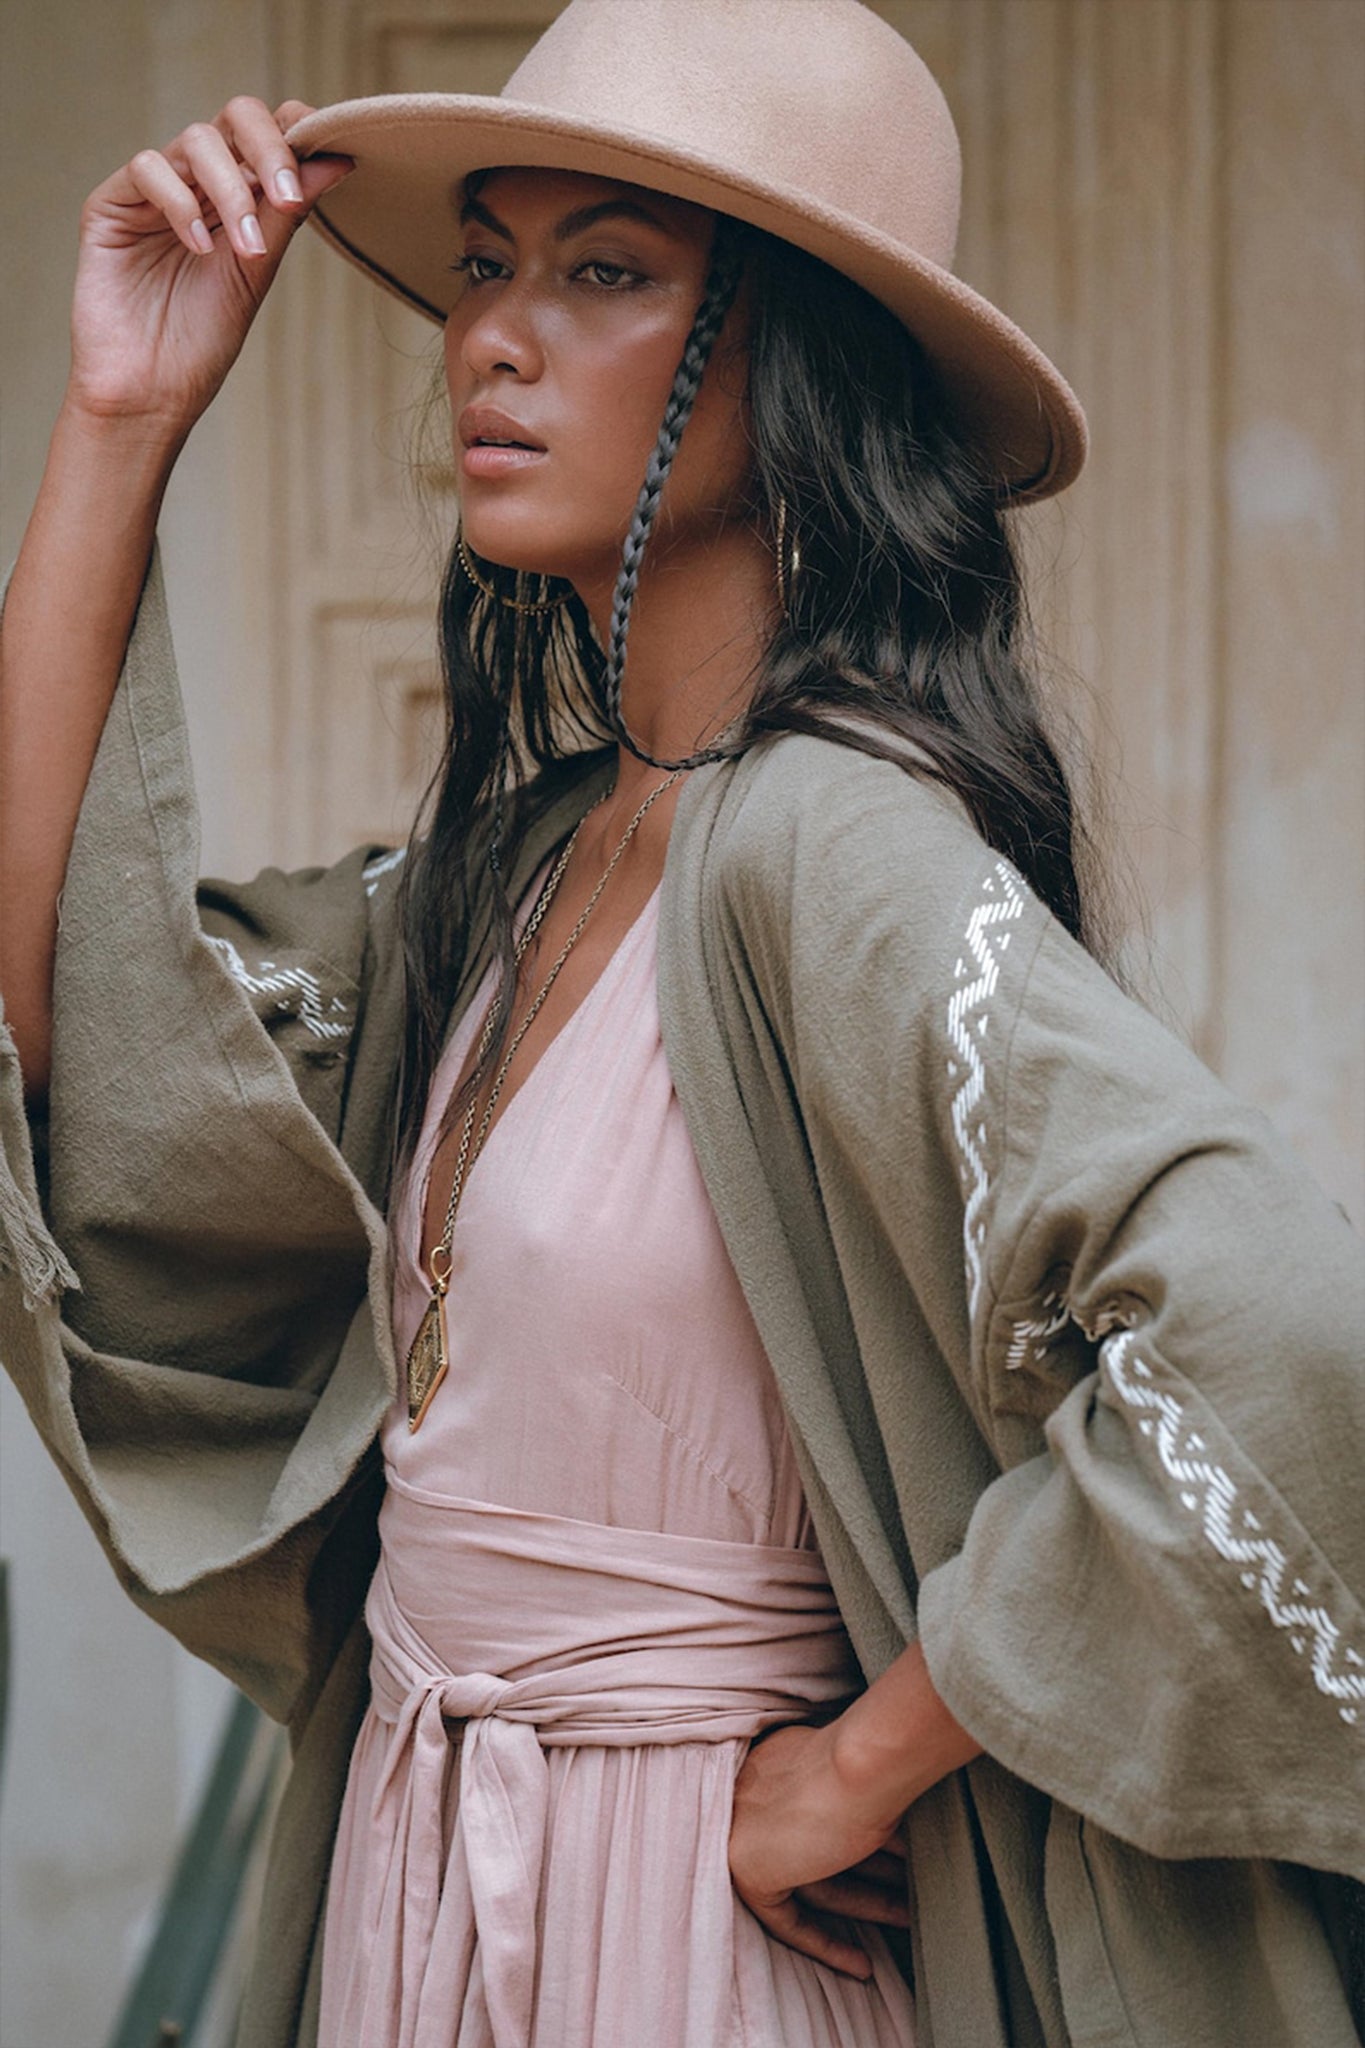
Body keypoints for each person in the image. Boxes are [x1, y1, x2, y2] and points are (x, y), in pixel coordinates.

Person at [0, 1, 1360, 2045]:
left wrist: (864, 1757)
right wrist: (120, 424)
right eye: (486, 262)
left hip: (684, 1936)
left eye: (607, 270)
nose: (492, 335)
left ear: (795, 361)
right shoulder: (512, 866)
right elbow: (73, 1018)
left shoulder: (826, 845)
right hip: (410, 1883)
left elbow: (1271, 1325)